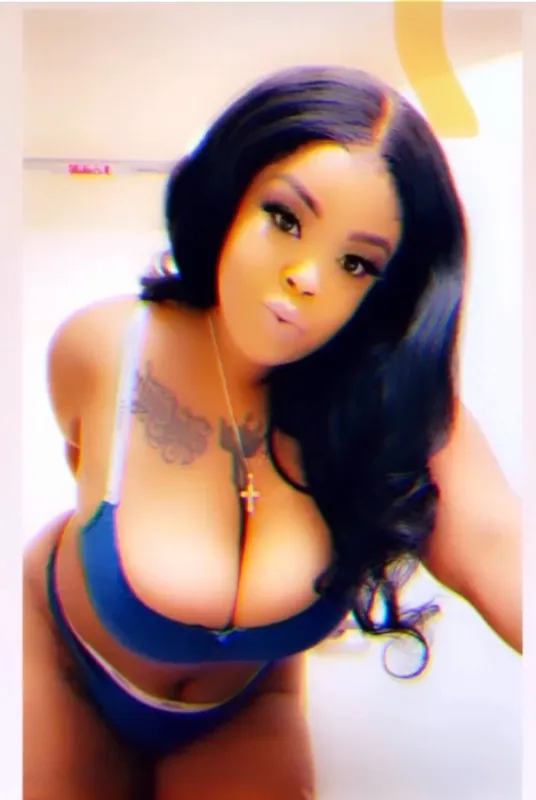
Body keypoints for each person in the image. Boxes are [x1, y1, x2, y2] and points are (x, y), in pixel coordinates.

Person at [23, 65, 521, 800]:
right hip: (67, 663)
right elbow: (86, 463)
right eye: (285, 218)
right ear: (231, 195)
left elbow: (504, 555)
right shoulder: (103, 348)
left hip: (241, 708)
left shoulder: (399, 413)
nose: (306, 277)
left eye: (355, 263)